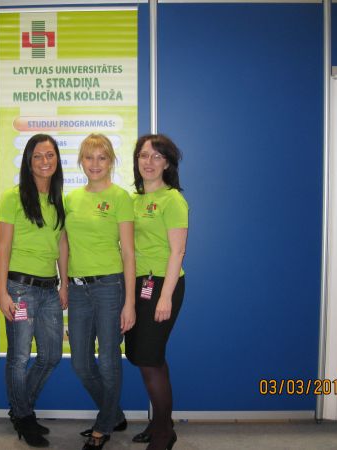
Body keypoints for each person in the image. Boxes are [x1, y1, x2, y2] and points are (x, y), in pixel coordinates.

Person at [64, 133, 136, 450]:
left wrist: (130, 302)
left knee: (108, 360)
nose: (95, 164)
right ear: (81, 160)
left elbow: (129, 253)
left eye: (102, 157)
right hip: (78, 289)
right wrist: (63, 283)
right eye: (89, 157)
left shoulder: (120, 198)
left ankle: (103, 425)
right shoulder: (70, 199)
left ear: (111, 161)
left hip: (109, 287)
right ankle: (114, 414)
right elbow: (63, 244)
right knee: (80, 363)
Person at [0, 134, 67, 448]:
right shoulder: (12, 197)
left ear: (57, 160)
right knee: (19, 356)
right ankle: (24, 416)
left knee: (51, 355)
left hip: (50, 289)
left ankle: (20, 408)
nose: (44, 162)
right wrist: (2, 292)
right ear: (28, 161)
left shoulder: (57, 199)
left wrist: (64, 283)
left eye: (50, 155)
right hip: (20, 288)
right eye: (38, 156)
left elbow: (62, 244)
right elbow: (3, 247)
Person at [124, 134, 189, 450]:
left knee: (149, 358)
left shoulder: (172, 200)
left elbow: (178, 251)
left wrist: (165, 297)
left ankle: (165, 432)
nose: (148, 162)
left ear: (167, 163)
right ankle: (159, 422)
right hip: (137, 285)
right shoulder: (132, 200)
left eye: (156, 156)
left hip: (163, 284)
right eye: (143, 155)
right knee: (143, 356)